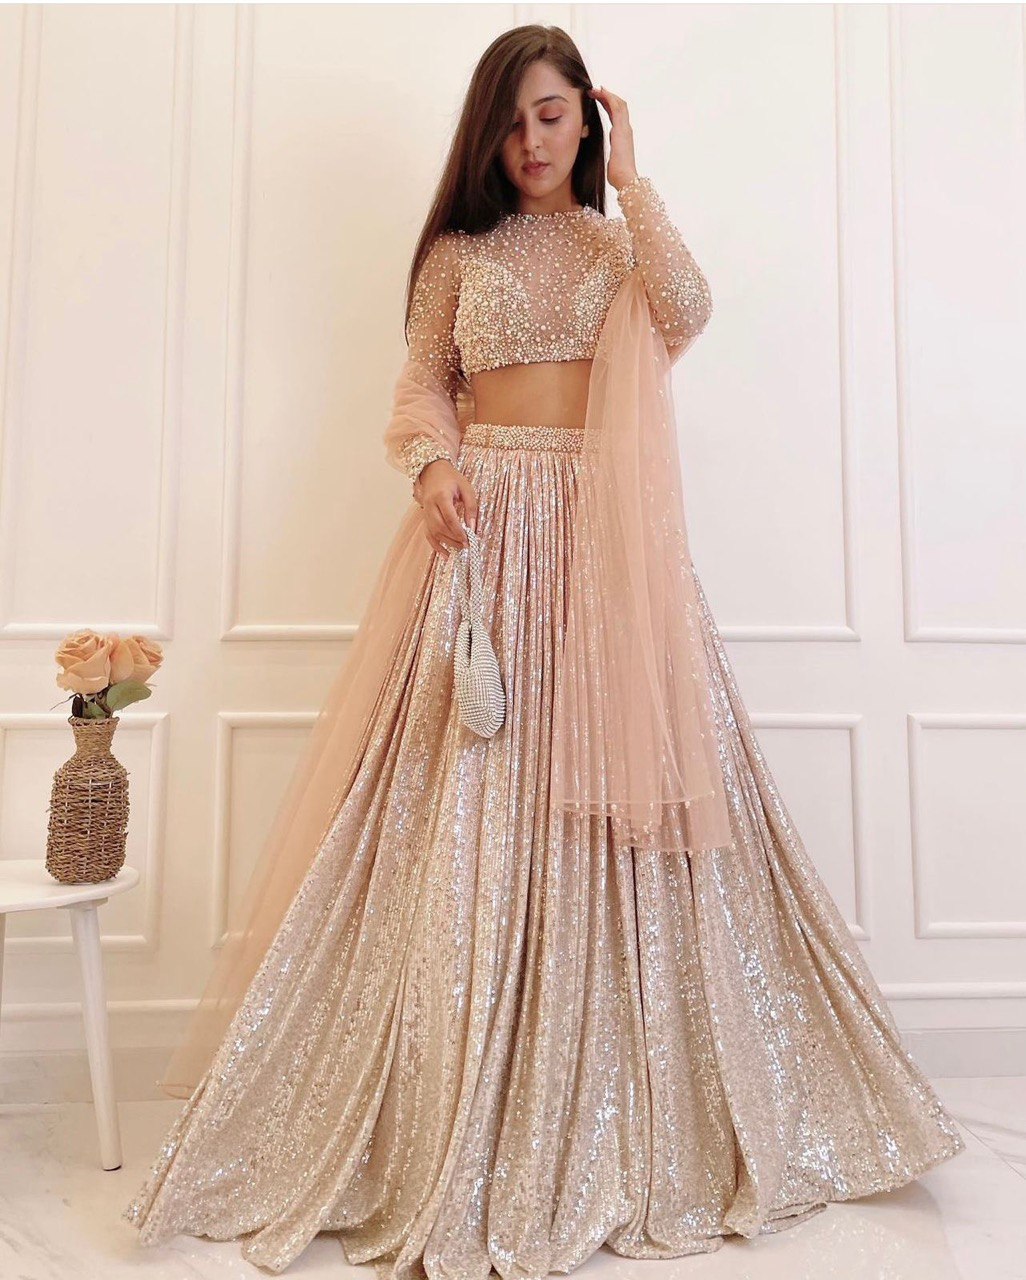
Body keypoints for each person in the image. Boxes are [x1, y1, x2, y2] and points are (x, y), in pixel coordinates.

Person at [122, 23, 964, 1278]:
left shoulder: (621, 250)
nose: (531, 140)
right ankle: (453, 1090)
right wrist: (434, 465)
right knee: (462, 798)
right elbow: (420, 384)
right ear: (488, 130)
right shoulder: (457, 256)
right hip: (482, 540)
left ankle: (618, 1082)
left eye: (554, 115)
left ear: (588, 119)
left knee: (620, 803)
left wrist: (637, 177)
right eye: (513, 120)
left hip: (607, 549)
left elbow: (689, 308)